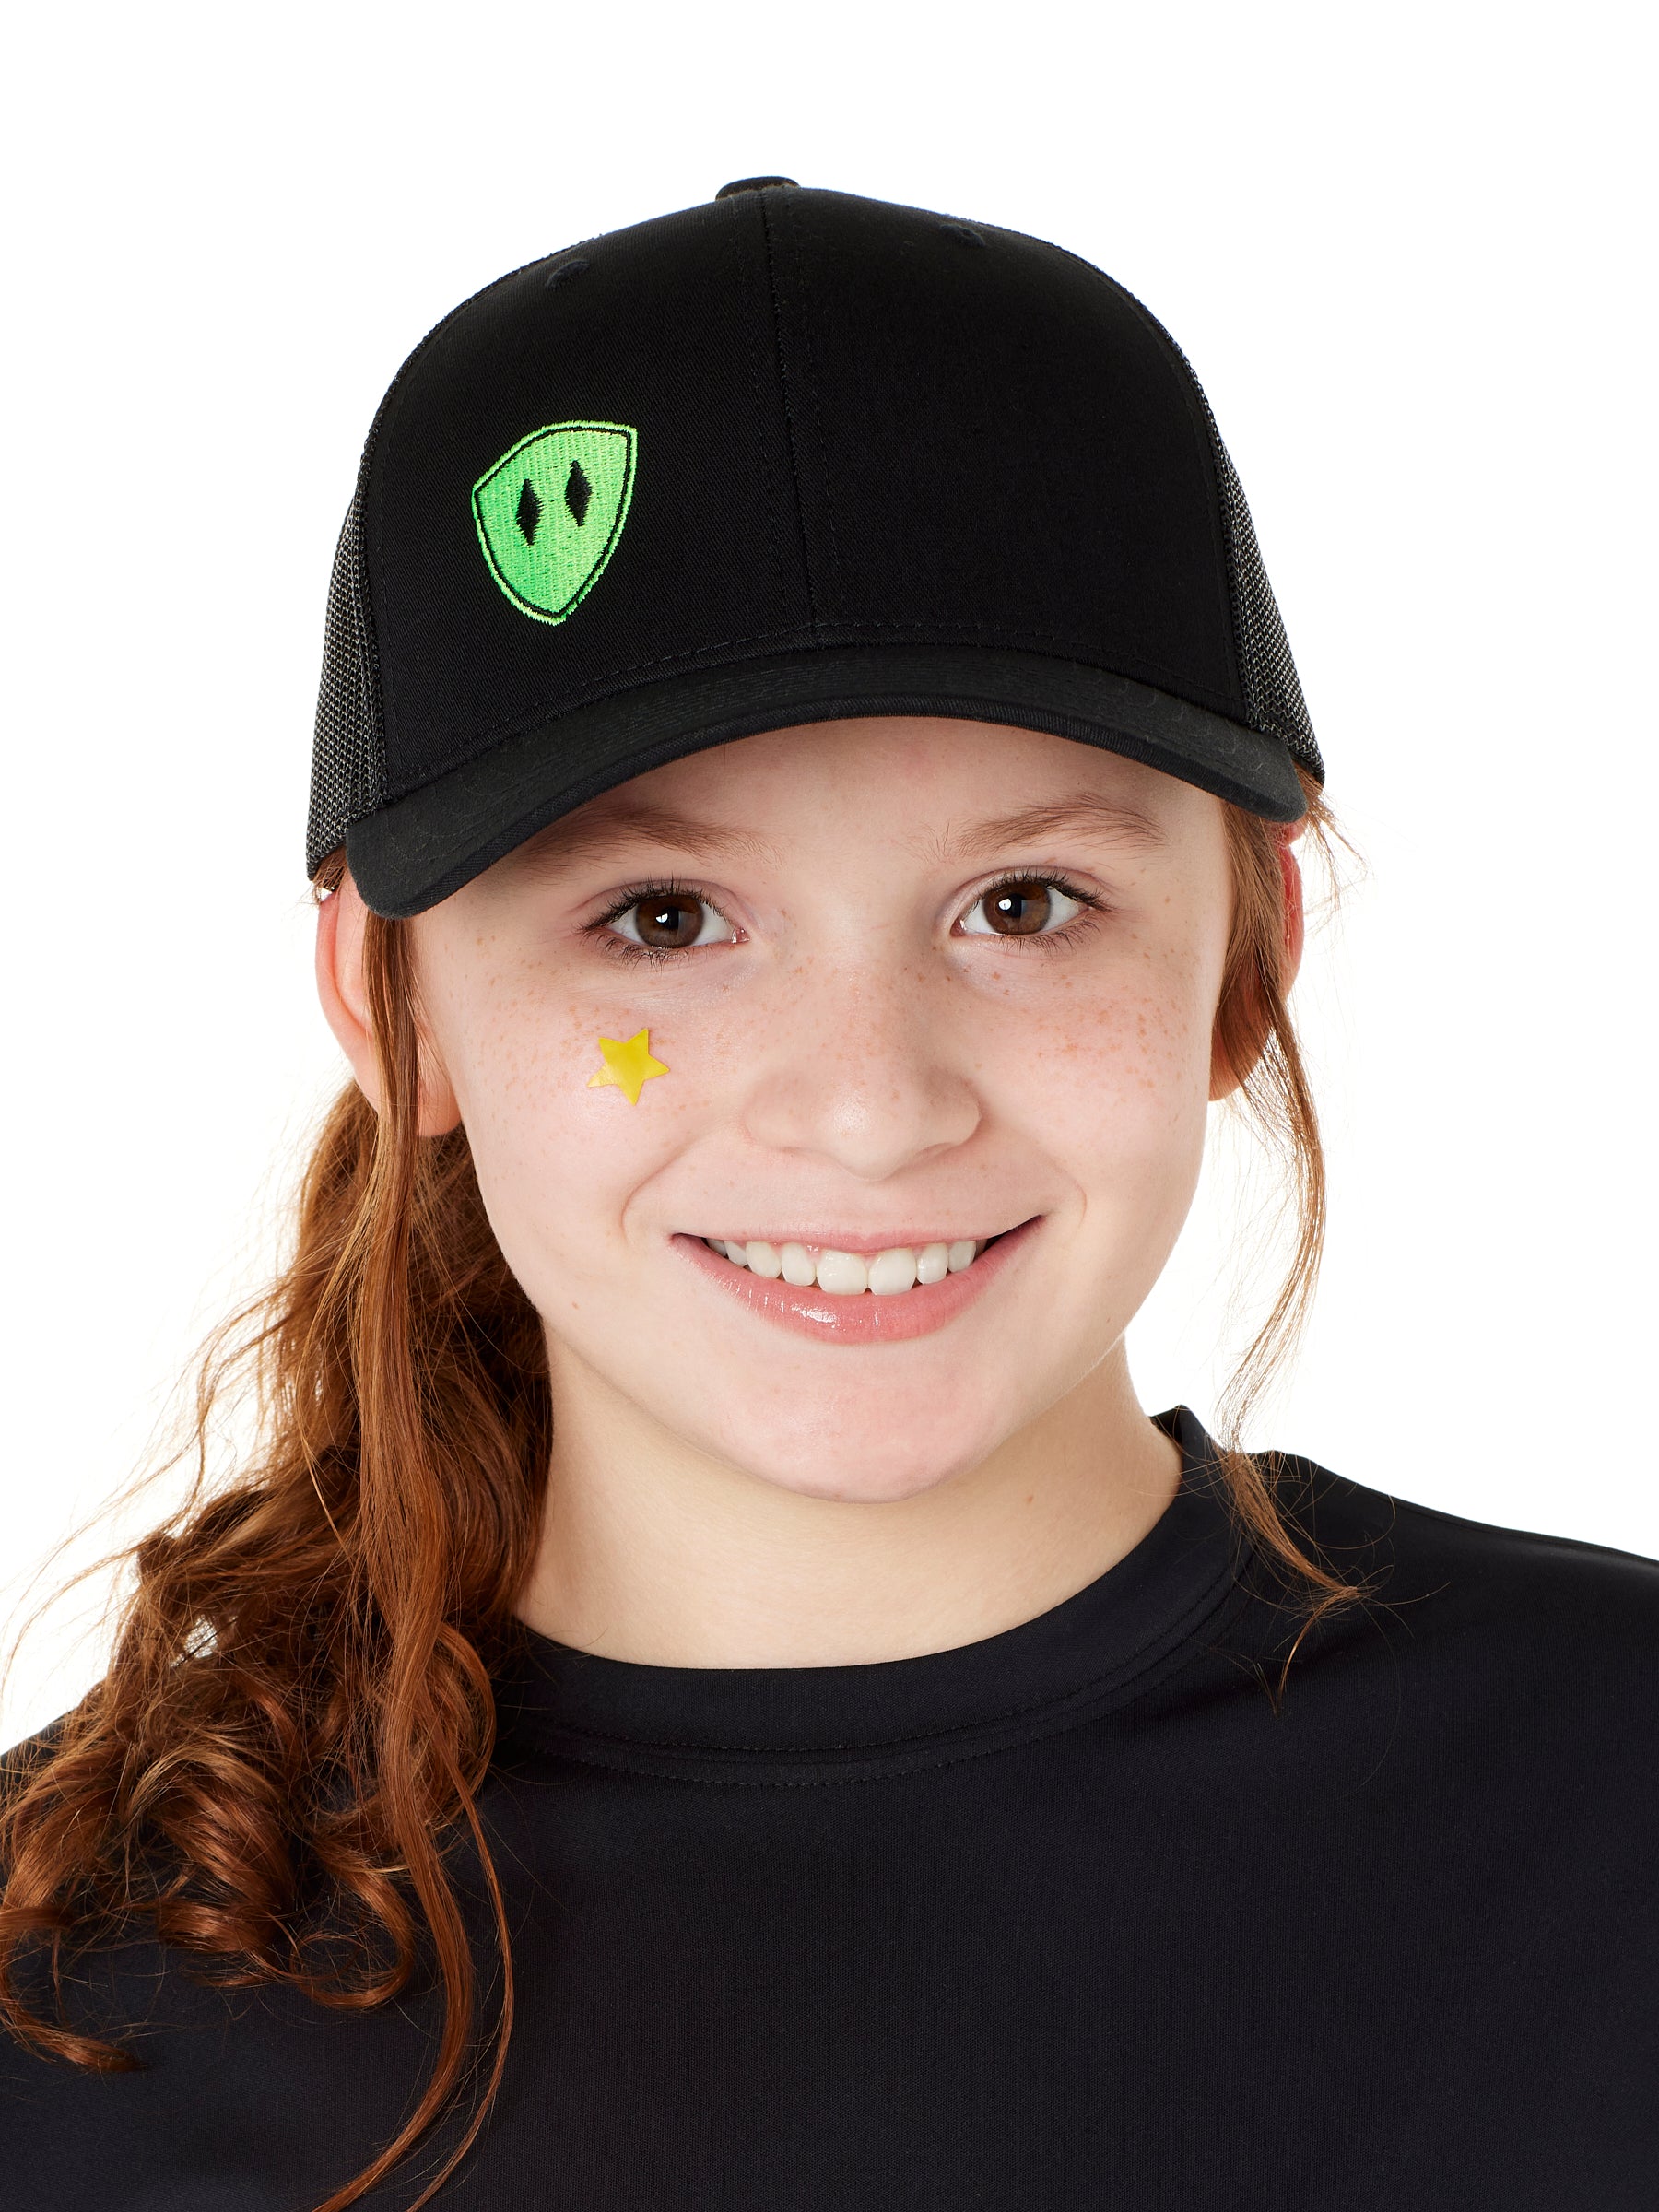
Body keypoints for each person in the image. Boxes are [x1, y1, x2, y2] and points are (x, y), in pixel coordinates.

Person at [3, 179, 1654, 2212]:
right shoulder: (63, 2010)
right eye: (663, 918)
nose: (870, 1111)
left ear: (1249, 963)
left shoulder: (1617, 1800)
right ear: (388, 1006)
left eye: (1023, 905)